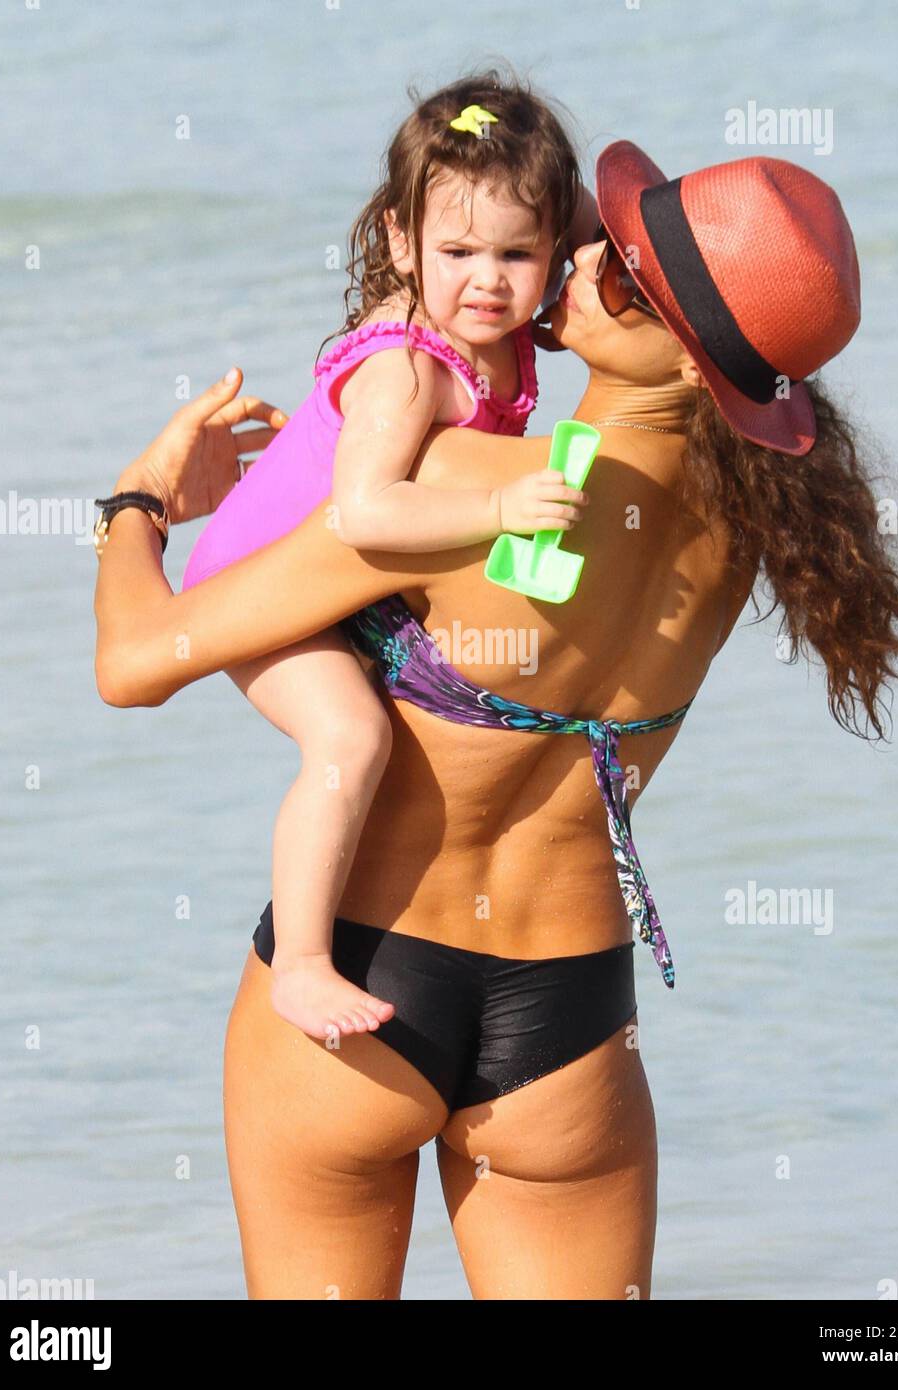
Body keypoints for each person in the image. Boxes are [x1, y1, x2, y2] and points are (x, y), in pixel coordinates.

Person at [92, 143, 898, 1299]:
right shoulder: (750, 541)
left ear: (683, 348)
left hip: (356, 994)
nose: (582, 262)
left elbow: (136, 662)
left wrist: (138, 502)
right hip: (572, 1027)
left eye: (619, 273)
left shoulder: (457, 483)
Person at [180, 72, 598, 1043]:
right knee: (353, 739)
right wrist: (498, 507)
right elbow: (367, 515)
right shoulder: (408, 365)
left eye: (517, 253)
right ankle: (305, 962)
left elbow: (587, 213)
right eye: (456, 251)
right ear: (403, 244)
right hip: (267, 589)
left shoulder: (497, 326)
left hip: (350, 587)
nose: (487, 279)